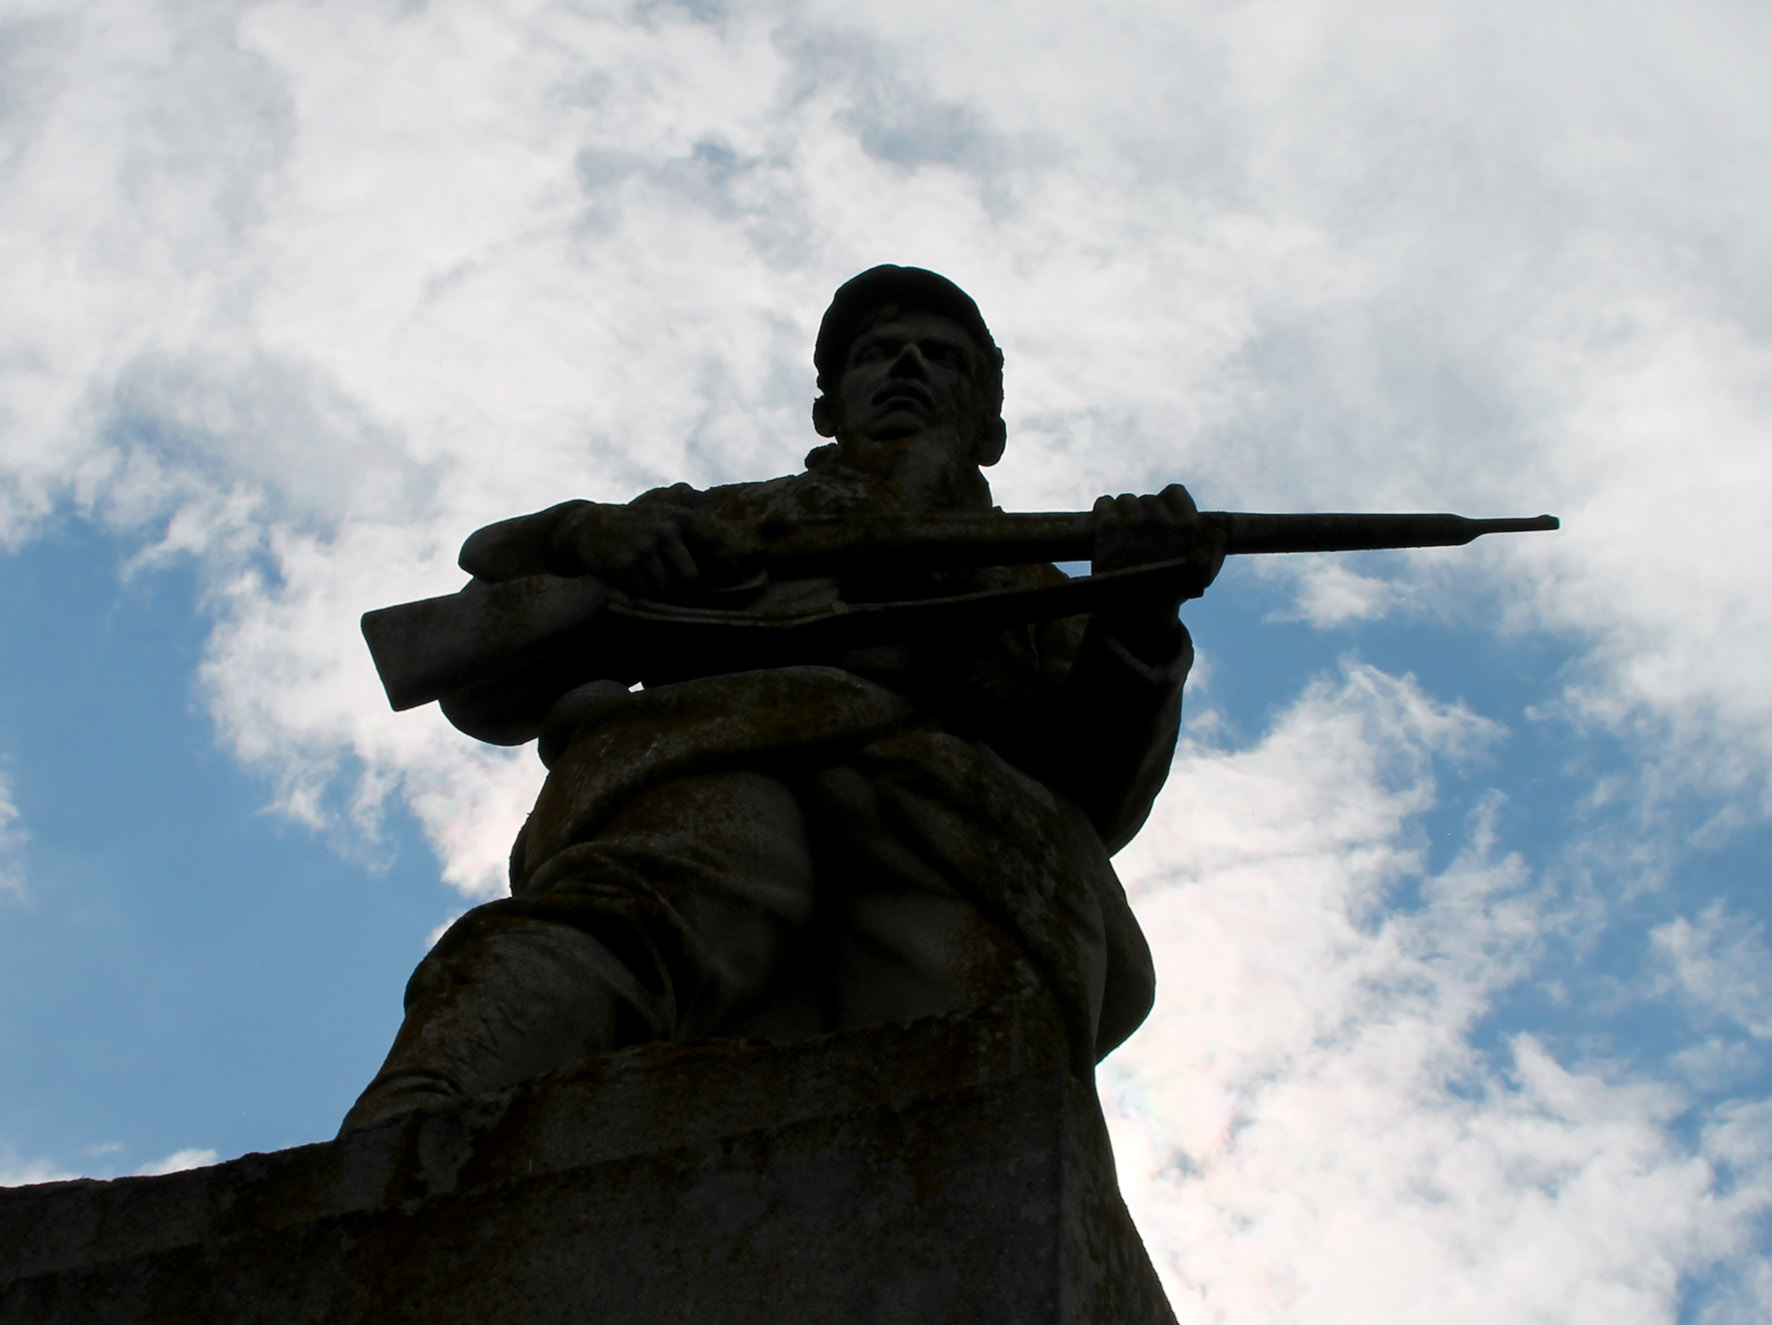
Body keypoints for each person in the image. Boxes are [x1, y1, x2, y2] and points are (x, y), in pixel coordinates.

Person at [341, 265, 1223, 1133]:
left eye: (941, 357)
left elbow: (1103, 787)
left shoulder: (1034, 581)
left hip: (952, 822)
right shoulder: (736, 520)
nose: (908, 366)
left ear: (990, 428)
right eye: (878, 354)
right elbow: (492, 628)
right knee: (657, 897)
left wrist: (1136, 618)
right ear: (827, 411)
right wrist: (592, 531)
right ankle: (425, 1111)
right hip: (717, 754)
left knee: (975, 1056)